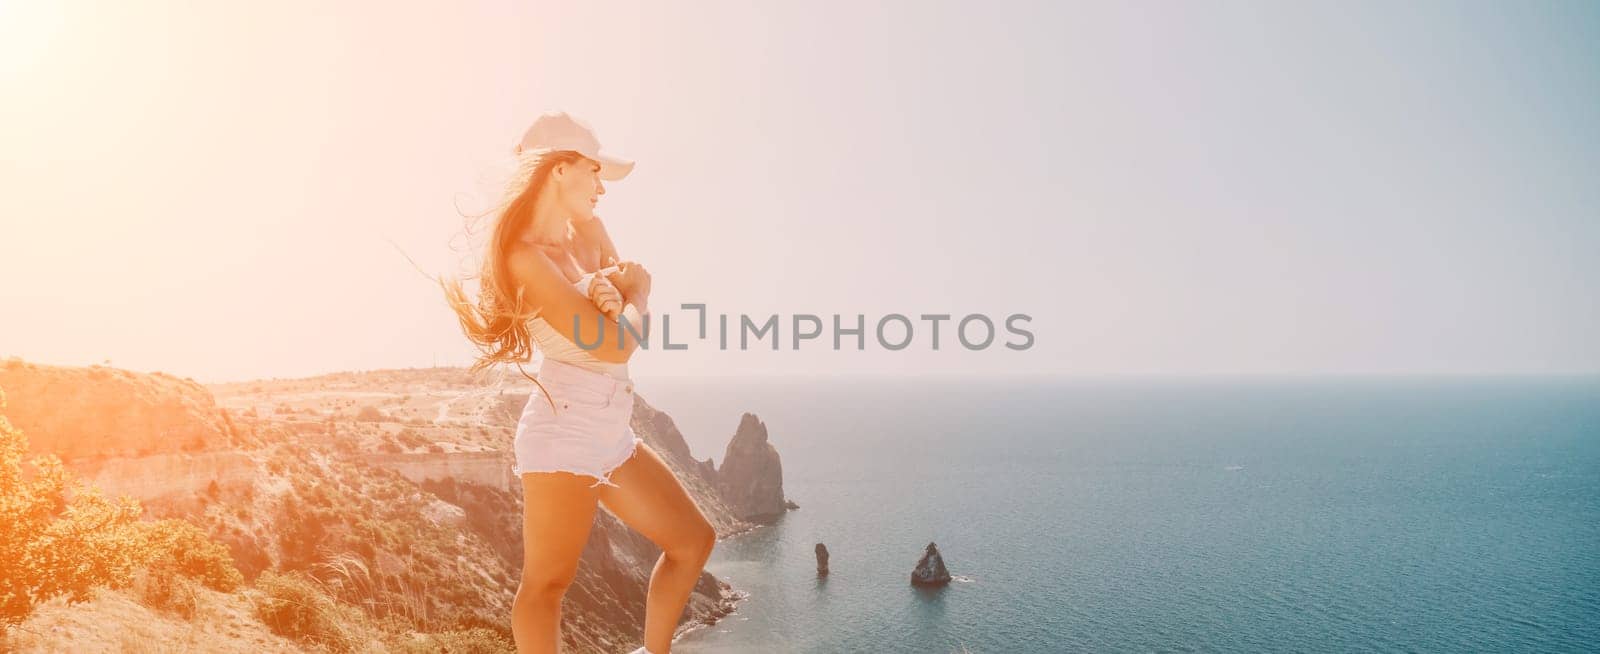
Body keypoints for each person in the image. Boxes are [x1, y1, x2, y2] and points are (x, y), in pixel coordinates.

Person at [440, 111, 716, 654]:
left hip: (611, 424)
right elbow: (615, 341)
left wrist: (619, 291)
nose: (601, 189)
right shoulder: (524, 258)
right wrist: (638, 294)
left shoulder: (585, 231)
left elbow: (617, 297)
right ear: (558, 170)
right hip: (564, 427)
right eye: (594, 172)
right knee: (547, 585)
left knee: (692, 541)